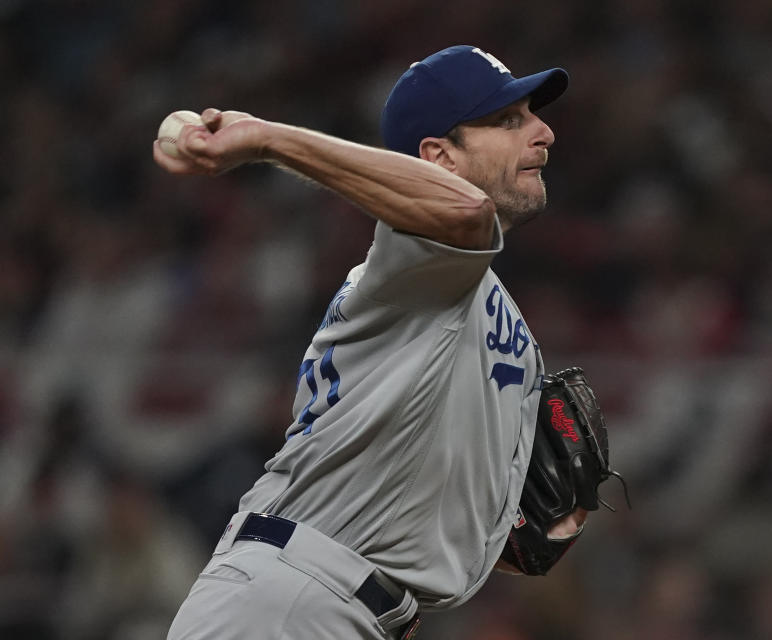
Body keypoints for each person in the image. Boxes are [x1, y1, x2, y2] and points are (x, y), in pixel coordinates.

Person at [156, 45, 586, 640]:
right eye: (509, 121)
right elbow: (464, 210)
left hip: (345, 605)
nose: (544, 133)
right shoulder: (417, 266)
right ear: (439, 158)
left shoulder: (471, 296)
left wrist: (506, 522)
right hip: (293, 596)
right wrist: (266, 139)